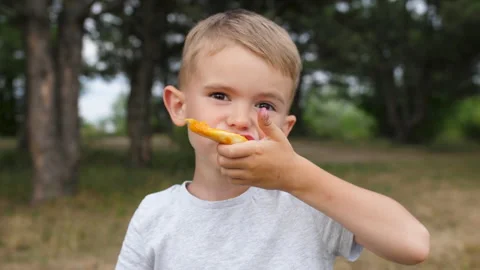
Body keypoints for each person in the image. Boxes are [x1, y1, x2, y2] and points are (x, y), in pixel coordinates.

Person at [115, 9, 430, 270]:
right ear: (179, 106)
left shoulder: (306, 203)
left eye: (264, 105)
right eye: (220, 95)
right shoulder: (155, 214)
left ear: (285, 127)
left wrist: (297, 176)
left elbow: (413, 244)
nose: (240, 119)